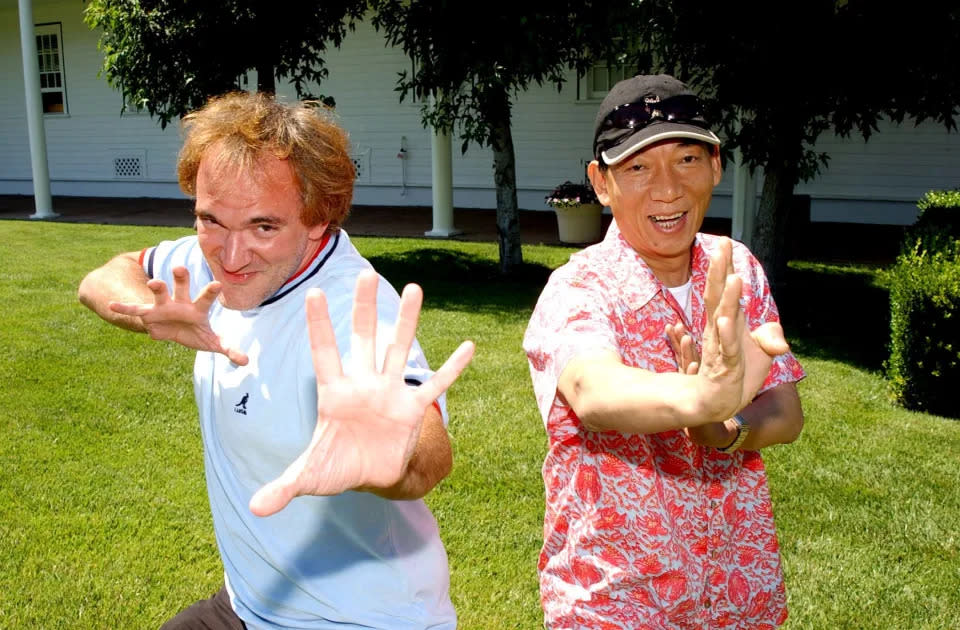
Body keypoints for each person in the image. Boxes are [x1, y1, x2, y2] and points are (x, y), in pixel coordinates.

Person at [78, 92, 474, 630]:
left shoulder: (349, 306)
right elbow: (103, 277)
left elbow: (427, 449)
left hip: (361, 621)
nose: (232, 255)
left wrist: (396, 458)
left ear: (316, 219)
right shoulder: (209, 256)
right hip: (248, 605)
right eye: (210, 219)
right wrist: (147, 310)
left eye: (264, 227)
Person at [523, 74, 805, 628]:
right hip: (616, 597)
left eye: (686, 160)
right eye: (637, 167)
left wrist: (723, 429)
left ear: (717, 166)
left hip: (736, 588)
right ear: (600, 184)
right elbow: (594, 392)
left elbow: (785, 413)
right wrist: (701, 398)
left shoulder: (737, 268)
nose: (667, 188)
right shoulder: (579, 288)